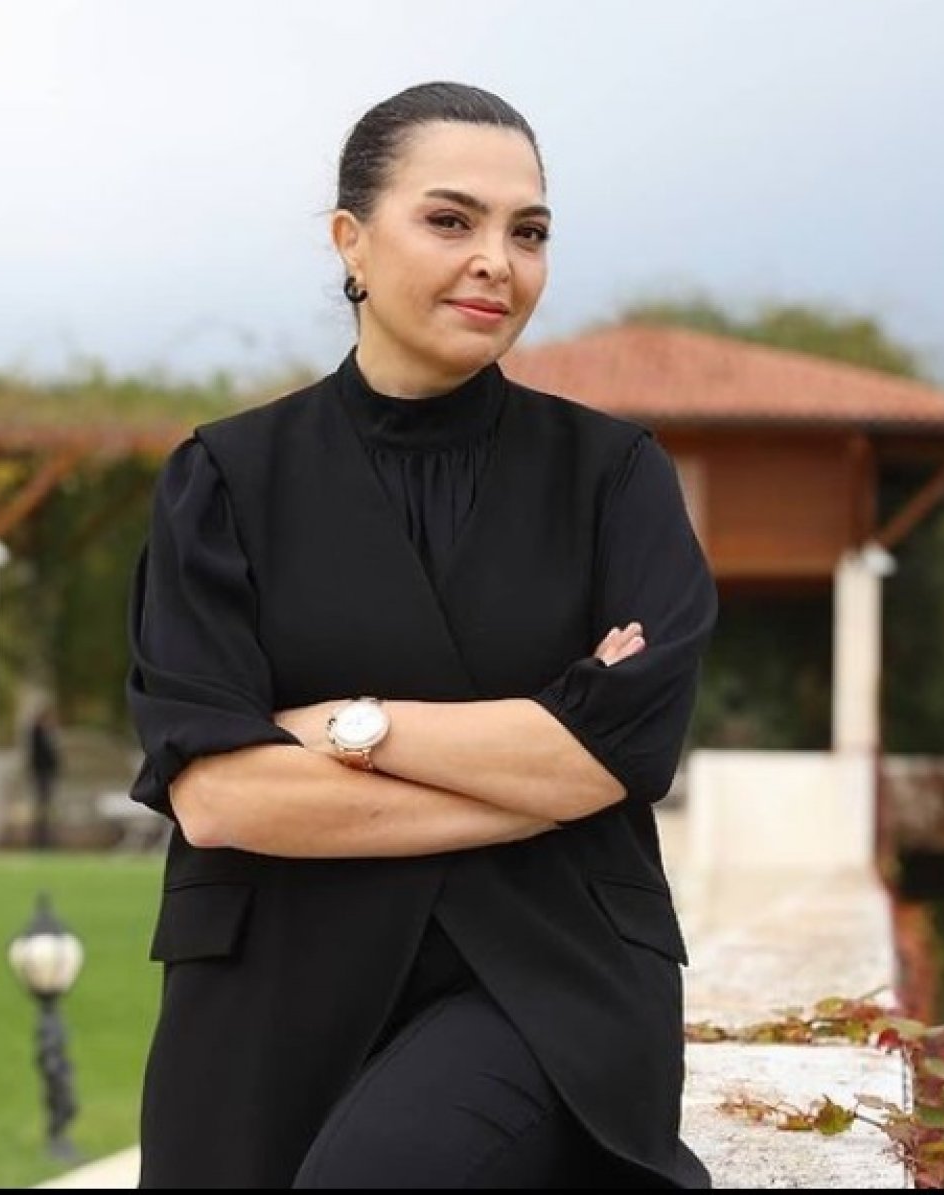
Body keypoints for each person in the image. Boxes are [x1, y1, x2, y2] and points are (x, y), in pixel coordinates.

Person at [126, 81, 718, 1189]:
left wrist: (352, 728)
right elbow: (223, 797)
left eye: (528, 232)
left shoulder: (616, 477)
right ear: (350, 239)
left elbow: (623, 752)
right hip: (267, 983)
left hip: (551, 977)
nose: (498, 260)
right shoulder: (222, 479)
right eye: (452, 220)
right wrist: (543, 766)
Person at [25, 703, 61, 850]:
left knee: (46, 806)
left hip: (46, 774)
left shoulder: (47, 733)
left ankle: (45, 837)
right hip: (42, 774)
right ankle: (40, 838)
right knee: (42, 806)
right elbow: (40, 755)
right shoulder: (38, 732)